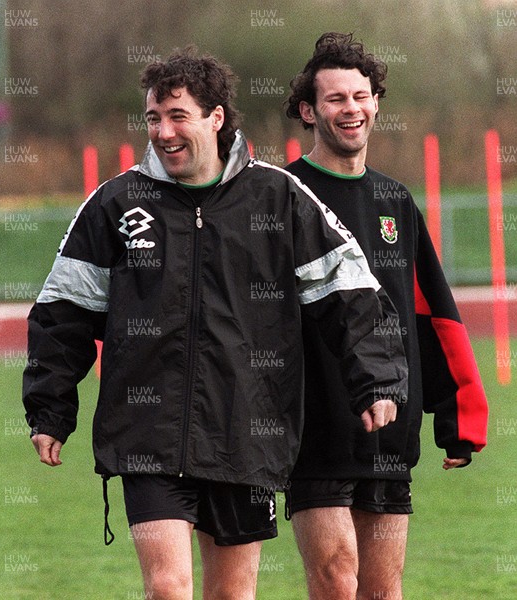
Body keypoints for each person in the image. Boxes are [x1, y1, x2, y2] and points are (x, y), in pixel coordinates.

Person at [23, 46, 408, 600]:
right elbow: (64, 310)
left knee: (231, 593)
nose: (163, 131)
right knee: (168, 587)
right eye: (153, 118)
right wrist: (50, 406)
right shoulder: (117, 204)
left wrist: (375, 379)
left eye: (178, 116)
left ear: (216, 118)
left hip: (245, 432)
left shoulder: (277, 197)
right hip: (146, 435)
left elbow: (349, 293)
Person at [284, 32, 489, 600]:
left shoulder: (396, 201)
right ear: (308, 110)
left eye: (361, 96)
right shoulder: (282, 197)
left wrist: (457, 418)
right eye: (335, 99)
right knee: (335, 580)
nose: (351, 109)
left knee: (381, 590)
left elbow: (434, 315)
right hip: (316, 426)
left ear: (376, 103)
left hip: (392, 429)